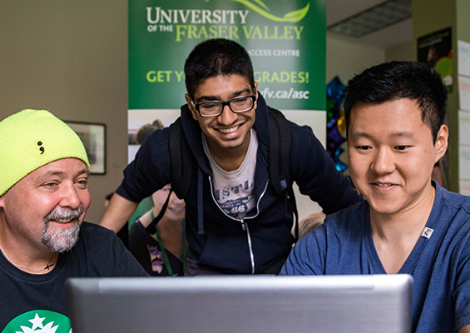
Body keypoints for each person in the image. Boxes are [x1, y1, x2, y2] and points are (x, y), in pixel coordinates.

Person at [100, 38, 362, 275]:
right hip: (208, 273)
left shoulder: (291, 141)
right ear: (191, 106)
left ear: (255, 93)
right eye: (210, 105)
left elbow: (346, 206)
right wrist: (90, 261)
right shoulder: (168, 148)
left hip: (280, 269)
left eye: (239, 99)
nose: (228, 119)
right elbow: (128, 194)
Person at [281, 61, 470, 333]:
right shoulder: (320, 248)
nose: (381, 166)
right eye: (364, 146)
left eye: (401, 146)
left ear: (439, 142)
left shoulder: (462, 234)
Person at [0, 109, 147, 332]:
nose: (74, 200)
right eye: (51, 184)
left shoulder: (103, 247)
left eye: (81, 182)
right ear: (2, 194)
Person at [128, 185, 186, 276]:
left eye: (185, 186)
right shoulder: (134, 239)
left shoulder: (206, 228)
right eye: (167, 190)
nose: (179, 201)